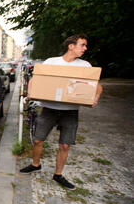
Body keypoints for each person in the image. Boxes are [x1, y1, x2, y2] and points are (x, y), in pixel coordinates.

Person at [20, 34, 103, 190]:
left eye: (85, 46)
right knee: (38, 140)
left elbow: (97, 86)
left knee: (65, 145)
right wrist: (31, 92)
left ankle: (58, 175)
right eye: (82, 45)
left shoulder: (85, 66)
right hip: (49, 109)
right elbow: (34, 80)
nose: (85, 48)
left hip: (70, 111)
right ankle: (35, 164)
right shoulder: (52, 62)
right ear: (71, 46)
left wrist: (95, 97)